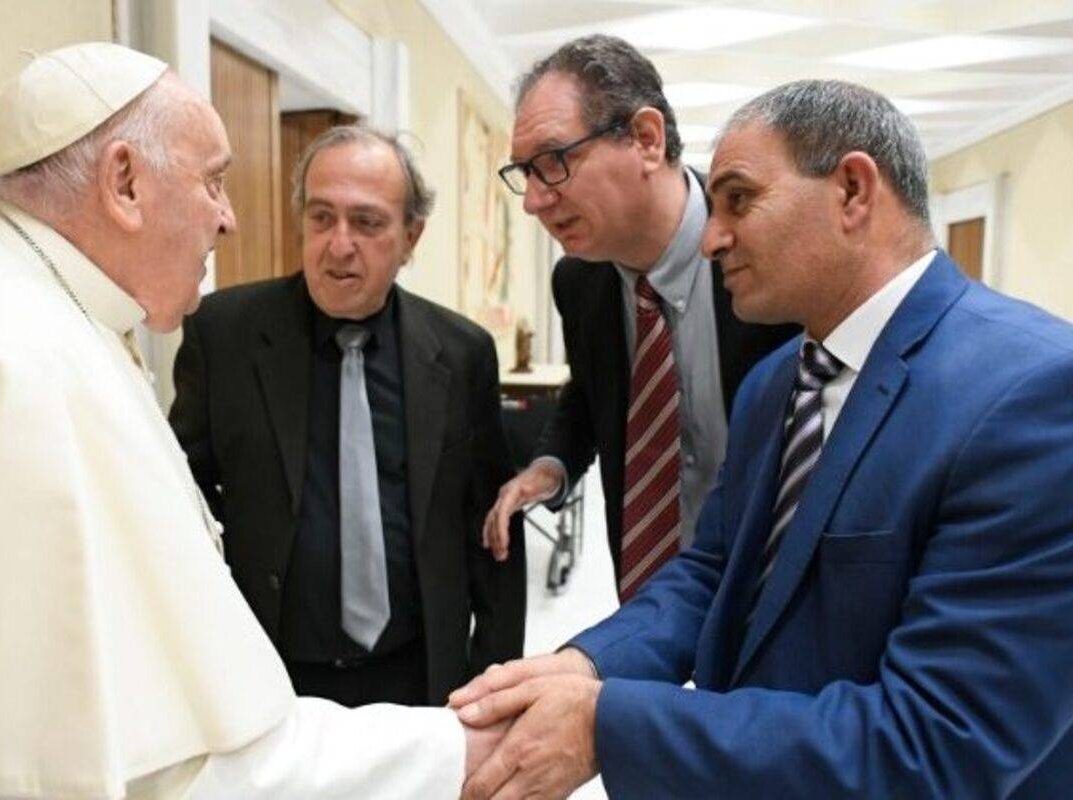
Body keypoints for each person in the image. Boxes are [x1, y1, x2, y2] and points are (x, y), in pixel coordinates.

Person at [0, 41, 501, 800]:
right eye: (213, 181)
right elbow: (159, 768)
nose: (230, 218)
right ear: (125, 182)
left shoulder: (19, 313)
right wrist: (461, 750)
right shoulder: (19, 362)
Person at [452, 79, 1073, 799]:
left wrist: (609, 723)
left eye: (738, 200)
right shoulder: (778, 381)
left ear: (851, 191)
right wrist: (587, 665)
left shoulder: (1031, 393)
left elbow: (935, 744)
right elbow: (713, 570)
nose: (711, 239)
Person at [168, 125, 526, 708]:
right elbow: (179, 498)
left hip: (418, 678)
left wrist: (494, 687)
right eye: (321, 217)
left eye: (367, 222)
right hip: (271, 678)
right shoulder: (224, 335)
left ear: (411, 237)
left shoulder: (462, 354)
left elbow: (490, 536)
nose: (339, 245)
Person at [482, 35, 795, 601]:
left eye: (554, 163)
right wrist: (552, 464)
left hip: (771, 587)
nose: (531, 201)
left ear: (647, 140)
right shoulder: (578, 282)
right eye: (524, 173)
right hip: (651, 595)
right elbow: (595, 389)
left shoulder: (769, 254)